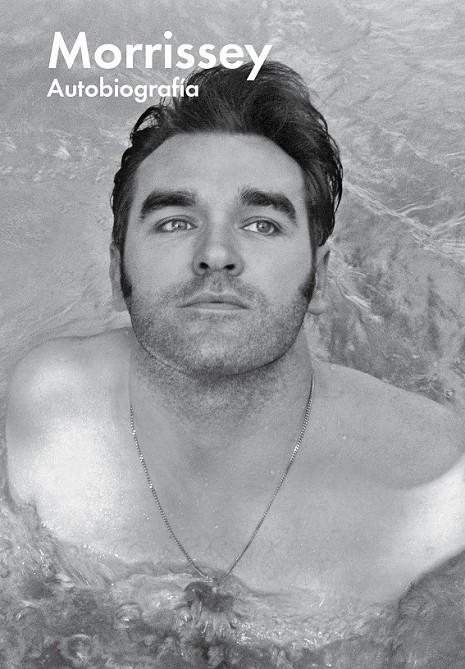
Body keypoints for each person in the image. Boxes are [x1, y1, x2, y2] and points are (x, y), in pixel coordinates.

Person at [5, 61, 465, 622]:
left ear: (321, 277)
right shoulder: (49, 410)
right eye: (176, 221)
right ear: (115, 271)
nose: (216, 253)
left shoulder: (434, 490)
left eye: (262, 223)